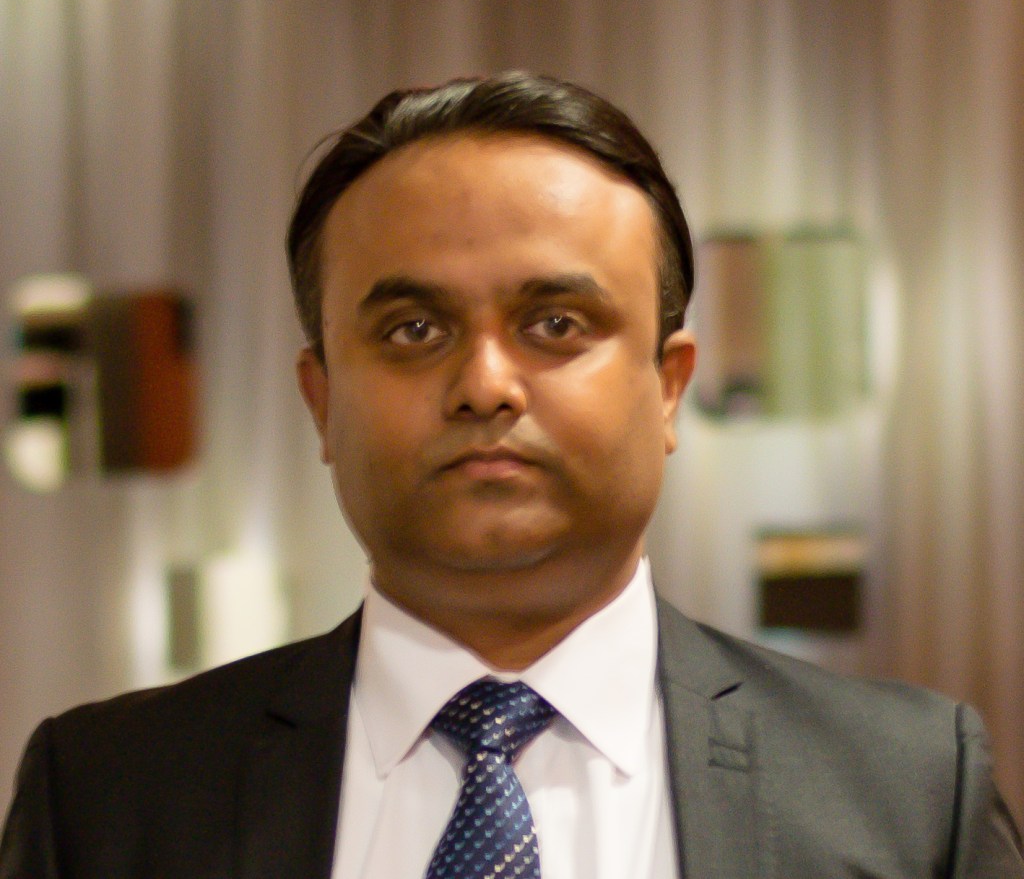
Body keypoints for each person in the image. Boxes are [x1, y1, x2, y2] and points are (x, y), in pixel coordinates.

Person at [1, 71, 1021, 879]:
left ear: (669, 387)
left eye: (555, 324)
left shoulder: (908, 792)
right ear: (321, 402)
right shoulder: (104, 797)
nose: (485, 384)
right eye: (413, 329)